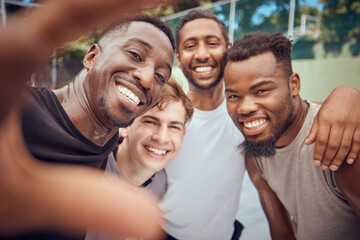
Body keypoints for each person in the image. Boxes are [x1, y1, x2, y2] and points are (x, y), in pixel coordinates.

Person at [160, 9, 360, 240]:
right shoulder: (168, 117)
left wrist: (349, 95)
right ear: (177, 55)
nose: (202, 54)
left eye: (212, 43)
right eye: (190, 45)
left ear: (228, 49)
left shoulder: (249, 125)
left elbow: (303, 111)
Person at [0, 0, 176, 239]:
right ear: (92, 56)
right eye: (135, 54)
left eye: (160, 76)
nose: (147, 79)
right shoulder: (20, 114)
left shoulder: (113, 144)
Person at [223, 32, 360, 240]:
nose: (244, 108)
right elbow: (281, 232)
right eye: (233, 96)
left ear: (293, 84)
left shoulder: (340, 141)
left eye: (261, 91)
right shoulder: (255, 154)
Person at [86, 79, 194, 240]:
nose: (162, 137)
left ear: (183, 135)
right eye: (150, 121)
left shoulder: (162, 185)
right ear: (125, 126)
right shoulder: (89, 170)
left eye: (174, 127)